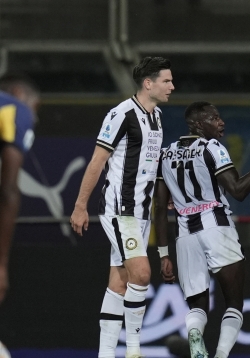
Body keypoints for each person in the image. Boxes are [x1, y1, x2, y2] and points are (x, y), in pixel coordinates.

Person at [154, 101, 250, 358]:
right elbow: (238, 190)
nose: (221, 122)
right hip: (216, 226)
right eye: (214, 118)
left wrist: (163, 254)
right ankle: (221, 355)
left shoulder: (165, 154)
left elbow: (160, 207)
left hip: (184, 234)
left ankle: (194, 334)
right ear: (197, 124)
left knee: (198, 306)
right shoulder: (212, 148)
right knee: (235, 302)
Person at [70, 57, 174, 358]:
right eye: (166, 80)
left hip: (141, 213)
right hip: (120, 210)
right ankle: (133, 350)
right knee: (141, 274)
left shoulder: (157, 117)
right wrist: (80, 206)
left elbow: (150, 164)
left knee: (120, 280)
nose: (172, 86)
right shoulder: (121, 114)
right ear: (148, 83)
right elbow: (97, 161)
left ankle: (105, 354)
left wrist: (160, 193)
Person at [0, 74, 39, 305]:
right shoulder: (16, 109)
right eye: (35, 107)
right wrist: (2, 265)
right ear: (18, 93)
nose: (34, 116)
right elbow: (8, 190)